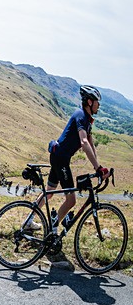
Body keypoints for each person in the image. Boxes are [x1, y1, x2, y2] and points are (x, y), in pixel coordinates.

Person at [26, 85, 110, 270]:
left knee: (49, 194)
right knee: (71, 200)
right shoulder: (80, 115)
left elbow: (91, 144)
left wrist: (99, 167)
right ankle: (53, 227)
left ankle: (29, 221)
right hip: (61, 159)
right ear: (90, 102)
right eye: (97, 102)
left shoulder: (87, 119)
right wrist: (97, 167)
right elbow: (83, 141)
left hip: (58, 156)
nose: (99, 106)